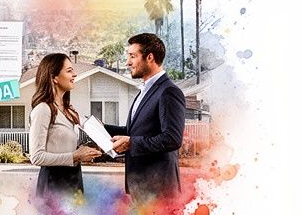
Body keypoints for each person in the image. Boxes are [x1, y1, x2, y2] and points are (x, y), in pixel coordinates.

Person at [106, 33, 185, 202]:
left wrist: (132, 143)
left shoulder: (168, 92)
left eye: (133, 56)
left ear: (150, 57)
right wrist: (98, 127)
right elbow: (132, 132)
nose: (128, 62)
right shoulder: (145, 91)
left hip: (159, 191)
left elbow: (172, 138)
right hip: (141, 187)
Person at [28, 53, 102, 198]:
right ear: (54, 77)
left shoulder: (68, 110)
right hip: (53, 185)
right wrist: (75, 156)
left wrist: (88, 150)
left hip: (73, 180)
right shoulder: (43, 110)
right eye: (69, 71)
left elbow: (91, 129)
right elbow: (36, 157)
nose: (75, 74)